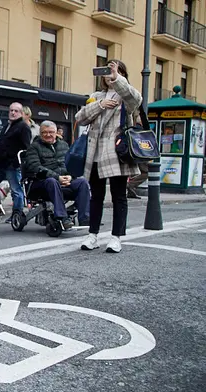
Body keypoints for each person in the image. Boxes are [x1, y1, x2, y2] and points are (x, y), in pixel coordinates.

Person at [76, 59, 141, 253]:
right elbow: (80, 118)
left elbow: (135, 100)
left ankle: (116, 237)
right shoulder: (96, 96)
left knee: (119, 196)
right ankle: (92, 235)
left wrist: (118, 80)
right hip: (95, 154)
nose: (109, 74)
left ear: (122, 73)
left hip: (116, 153)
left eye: (114, 70)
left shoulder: (125, 94)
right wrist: (100, 105)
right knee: (96, 196)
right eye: (107, 70)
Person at [23, 121, 91, 228]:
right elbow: (35, 167)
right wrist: (57, 178)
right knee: (52, 181)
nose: (48, 135)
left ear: (56, 133)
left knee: (82, 182)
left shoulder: (64, 145)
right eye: (45, 132)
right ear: (40, 133)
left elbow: (70, 164)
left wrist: (70, 176)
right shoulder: (34, 147)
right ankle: (63, 218)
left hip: (63, 181)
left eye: (51, 132)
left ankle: (85, 218)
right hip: (41, 183)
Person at [0, 102, 29, 218]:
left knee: (16, 191)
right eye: (11, 110)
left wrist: (17, 162)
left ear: (21, 113)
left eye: (16, 111)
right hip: (0, 164)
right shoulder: (7, 126)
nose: (13, 113)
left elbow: (26, 148)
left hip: (12, 165)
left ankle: (17, 215)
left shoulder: (23, 127)